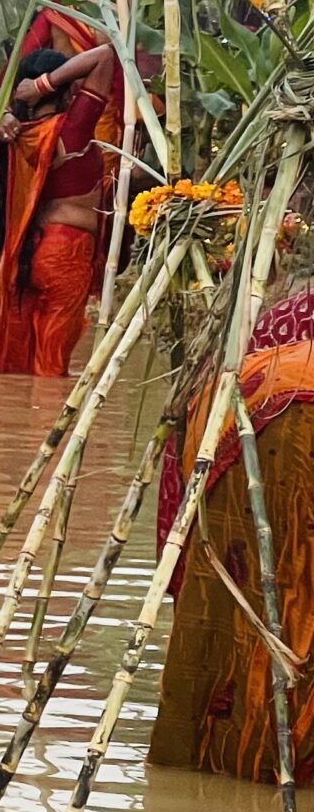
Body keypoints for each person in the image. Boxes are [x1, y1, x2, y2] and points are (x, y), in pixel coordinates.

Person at [151, 287, 314, 786]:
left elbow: (180, 487)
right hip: (263, 466)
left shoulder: (273, 327)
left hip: (241, 468)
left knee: (246, 642)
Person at [0, 44, 122, 376]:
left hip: (19, 257)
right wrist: (45, 83)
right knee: (51, 372)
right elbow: (105, 55)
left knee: (14, 367)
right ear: (70, 89)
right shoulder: (71, 129)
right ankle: (39, 425)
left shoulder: (8, 133)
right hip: (64, 255)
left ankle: (8, 424)